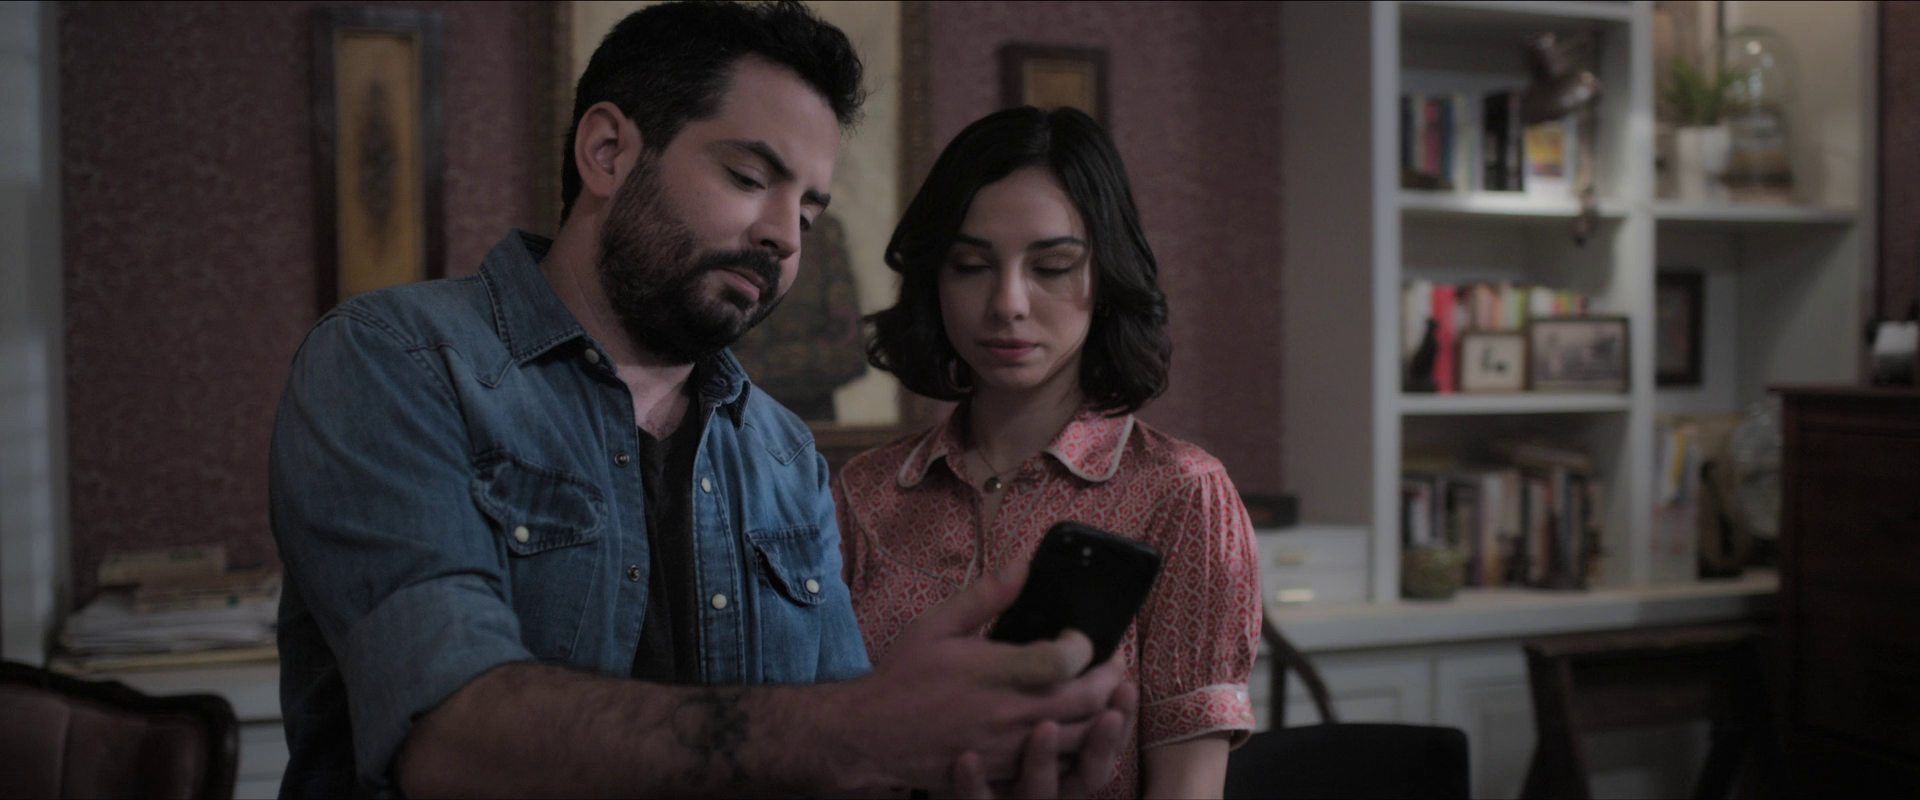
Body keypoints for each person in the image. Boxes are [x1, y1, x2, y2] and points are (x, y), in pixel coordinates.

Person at [268, 3, 1131, 797]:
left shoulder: (784, 453)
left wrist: (962, 767)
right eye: (750, 177)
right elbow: (450, 740)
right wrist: (857, 728)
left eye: (809, 214)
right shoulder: (396, 361)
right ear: (608, 152)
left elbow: (837, 769)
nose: (784, 237)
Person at [837, 106, 1264, 799]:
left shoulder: (1183, 494)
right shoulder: (864, 493)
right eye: (971, 265)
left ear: (1106, 279)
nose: (1007, 302)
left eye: (1053, 266)